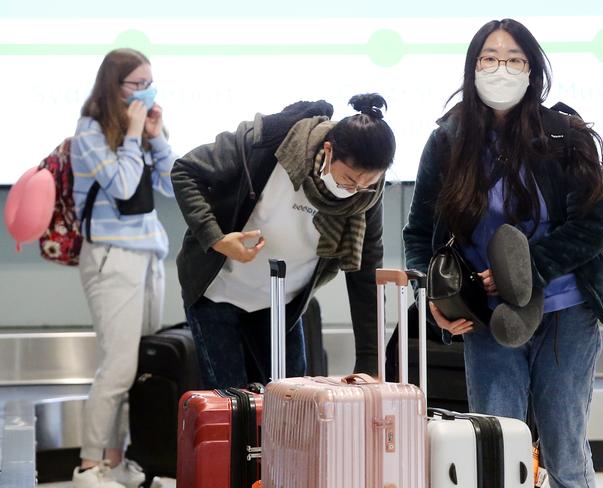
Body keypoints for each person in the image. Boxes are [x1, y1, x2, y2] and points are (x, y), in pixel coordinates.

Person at [403, 19, 603, 487]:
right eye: (490, 59)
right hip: (488, 316)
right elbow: (419, 236)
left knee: (564, 446)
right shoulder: (448, 141)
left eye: (514, 59)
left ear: (532, 70)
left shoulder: (565, 135)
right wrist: (437, 300)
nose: (502, 69)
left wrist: (527, 272)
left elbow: (596, 225)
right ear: (472, 67)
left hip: (567, 310)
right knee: (495, 446)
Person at [172, 93, 396, 388]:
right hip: (218, 292)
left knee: (294, 408)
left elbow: (366, 274)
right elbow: (186, 171)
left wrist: (369, 362)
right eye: (348, 180)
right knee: (231, 407)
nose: (354, 191)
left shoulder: (365, 198)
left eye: (367, 185)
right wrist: (216, 238)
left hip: (282, 303)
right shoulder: (270, 141)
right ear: (328, 150)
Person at [70, 48, 177, 488]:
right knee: (117, 369)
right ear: (114, 87)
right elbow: (123, 185)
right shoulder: (89, 135)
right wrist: (134, 135)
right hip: (112, 259)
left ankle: (118, 461)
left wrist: (156, 136)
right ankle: (90, 465)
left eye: (151, 81)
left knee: (140, 368)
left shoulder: (141, 134)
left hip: (149, 258)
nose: (146, 90)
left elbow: (174, 184)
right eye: (137, 83)